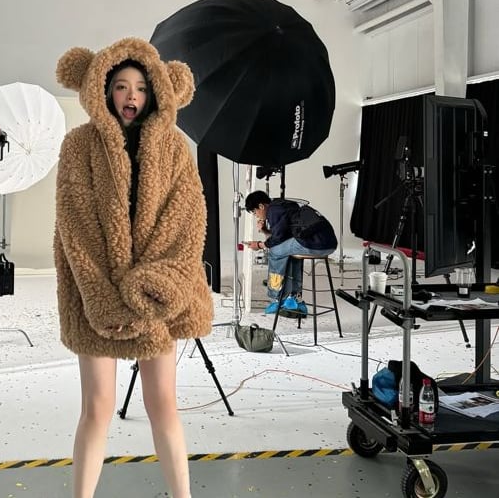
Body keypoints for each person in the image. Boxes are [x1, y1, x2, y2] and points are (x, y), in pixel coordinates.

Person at [54, 37, 213, 498]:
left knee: (164, 405)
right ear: (103, 89)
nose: (131, 95)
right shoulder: (79, 145)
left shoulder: (175, 148)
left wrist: (154, 285)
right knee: (97, 407)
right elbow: (75, 227)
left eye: (141, 87)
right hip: (96, 298)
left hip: (155, 299)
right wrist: (104, 299)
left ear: (159, 90)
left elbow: (187, 220)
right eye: (121, 86)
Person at [244, 190, 337, 315]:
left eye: (255, 212)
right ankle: (293, 298)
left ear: (261, 206)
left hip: (316, 244)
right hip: (327, 243)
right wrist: (265, 231)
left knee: (275, 252)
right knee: (287, 252)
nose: (256, 216)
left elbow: (277, 241)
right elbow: (282, 238)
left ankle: (277, 299)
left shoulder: (273, 211)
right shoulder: (283, 206)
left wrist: (260, 245)